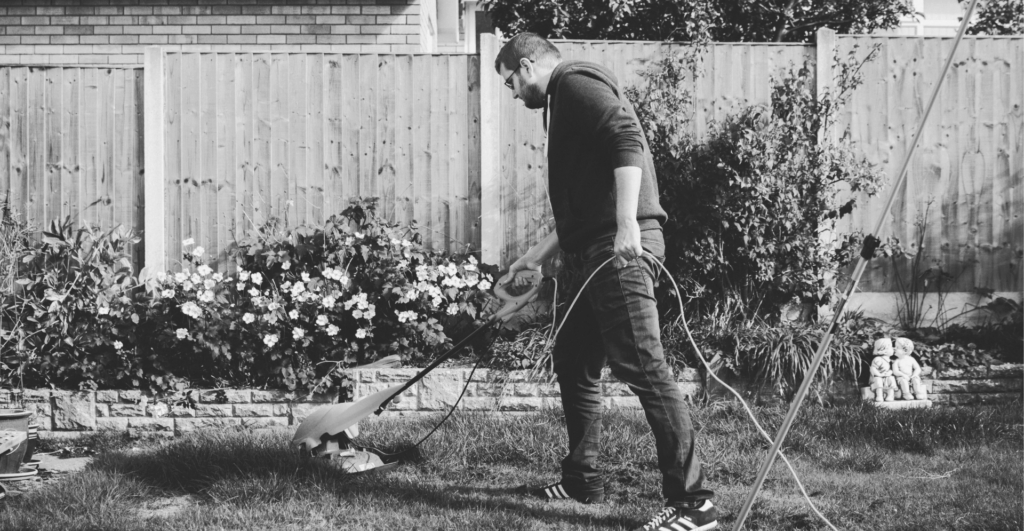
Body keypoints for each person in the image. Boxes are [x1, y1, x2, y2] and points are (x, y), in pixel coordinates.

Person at [494, 33, 718, 531]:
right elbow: (584, 203)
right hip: (600, 246)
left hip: (621, 249)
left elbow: (625, 137)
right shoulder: (562, 101)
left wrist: (626, 223)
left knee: (642, 364)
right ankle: (581, 479)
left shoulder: (574, 82)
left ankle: (693, 505)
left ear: (526, 66)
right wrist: (534, 256)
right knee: (573, 356)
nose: (512, 94)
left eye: (510, 82)